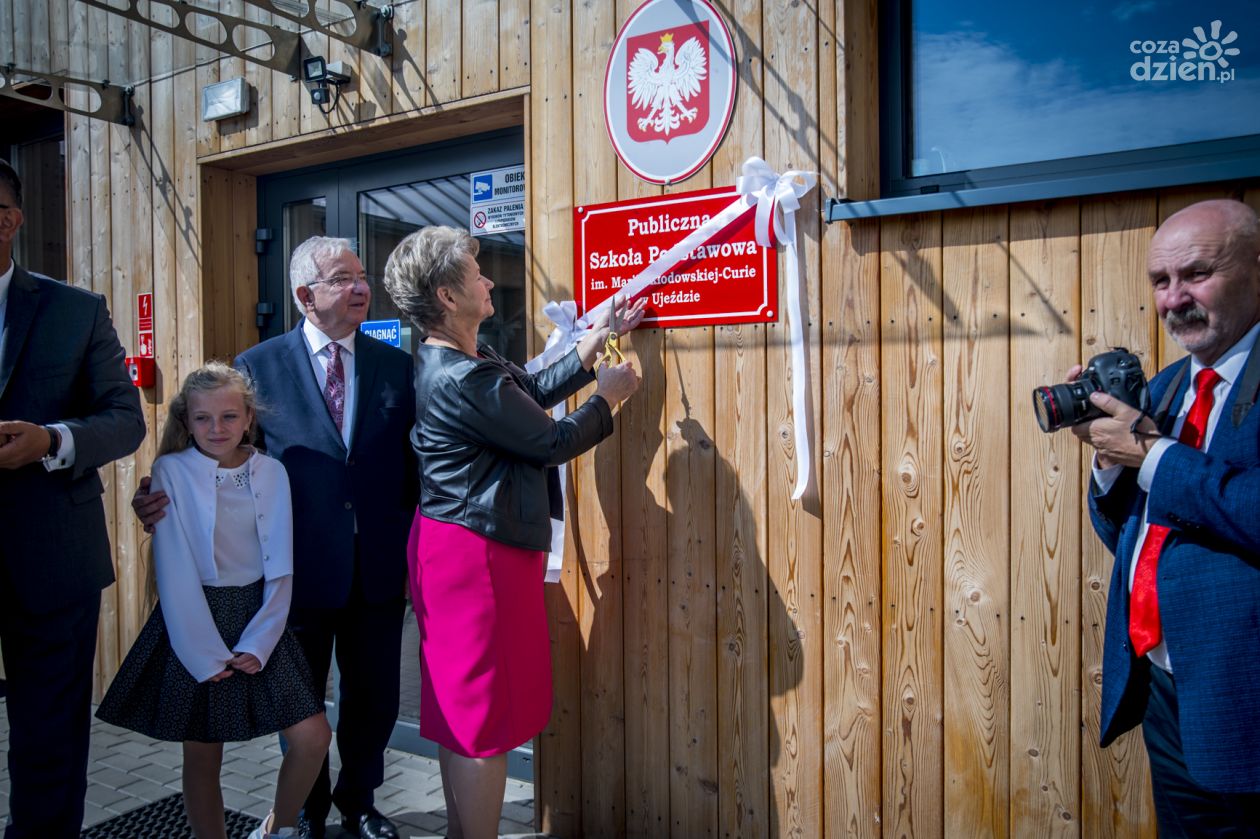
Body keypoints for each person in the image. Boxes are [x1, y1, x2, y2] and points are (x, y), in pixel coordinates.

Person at [134, 237, 418, 839]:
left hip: (377, 567)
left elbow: (412, 465)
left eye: (361, 276)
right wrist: (158, 497)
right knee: (301, 703)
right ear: (305, 295)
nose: (361, 287)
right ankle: (308, 812)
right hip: (295, 573)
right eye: (343, 278)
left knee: (374, 698)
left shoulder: (397, 365)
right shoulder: (257, 366)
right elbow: (220, 461)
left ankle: (359, 804)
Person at [381, 225, 642, 838]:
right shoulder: (463, 376)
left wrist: (594, 341)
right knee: (481, 719)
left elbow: (530, 392)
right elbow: (548, 441)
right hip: (477, 557)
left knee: (462, 712)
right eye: (476, 274)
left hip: (464, 546)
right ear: (448, 296)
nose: (489, 282)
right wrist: (607, 398)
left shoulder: (462, 360)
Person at [1071, 198, 1260, 834]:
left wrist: (1152, 454)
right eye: (1160, 280)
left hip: (1245, 695)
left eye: (1197, 274)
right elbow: (1132, 535)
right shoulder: (1172, 385)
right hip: (1168, 690)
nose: (1175, 299)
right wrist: (1111, 462)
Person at [97, 363, 331, 839]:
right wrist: (201, 652)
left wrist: (262, 638)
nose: (216, 428)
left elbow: (280, 563)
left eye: (229, 416)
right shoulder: (171, 471)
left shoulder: (272, 471)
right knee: (203, 754)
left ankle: (278, 828)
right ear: (187, 421)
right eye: (203, 418)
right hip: (194, 621)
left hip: (260, 618)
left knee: (313, 736)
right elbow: (175, 569)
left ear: (249, 418)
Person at [0, 158, 146, 837]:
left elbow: (124, 417)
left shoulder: (75, 310)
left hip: (54, 560)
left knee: (50, 742)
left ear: (9, 219)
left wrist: (52, 441)